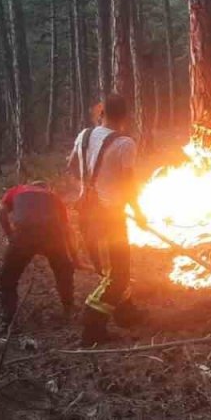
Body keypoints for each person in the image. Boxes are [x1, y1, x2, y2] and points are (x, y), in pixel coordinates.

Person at [68, 94, 144, 345]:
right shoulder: (125, 144)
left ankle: (126, 312)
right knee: (117, 275)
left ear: (102, 113)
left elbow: (71, 168)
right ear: (125, 116)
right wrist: (139, 214)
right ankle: (92, 326)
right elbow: (129, 184)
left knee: (110, 270)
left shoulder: (84, 135)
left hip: (86, 215)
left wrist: (88, 189)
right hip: (108, 220)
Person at [0, 180, 75, 326]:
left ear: (31, 185)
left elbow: (0, 211)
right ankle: (68, 311)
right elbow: (66, 229)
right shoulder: (53, 196)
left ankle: (9, 321)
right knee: (63, 272)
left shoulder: (17, 190)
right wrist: (73, 257)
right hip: (52, 235)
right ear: (46, 187)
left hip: (24, 235)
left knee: (7, 280)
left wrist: (10, 235)